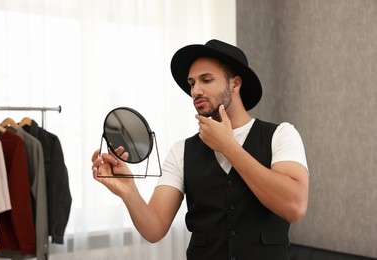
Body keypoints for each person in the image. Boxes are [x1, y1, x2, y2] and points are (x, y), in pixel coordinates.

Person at [91, 39, 309, 260]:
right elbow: (154, 229)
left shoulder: (281, 135)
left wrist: (229, 147)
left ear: (234, 84)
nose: (196, 91)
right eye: (192, 83)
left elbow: (294, 207)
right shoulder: (181, 151)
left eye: (206, 80)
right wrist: (129, 192)